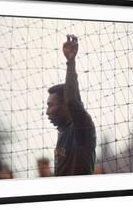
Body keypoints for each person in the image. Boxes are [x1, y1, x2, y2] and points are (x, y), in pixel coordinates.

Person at [46, 34, 96, 176]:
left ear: (65, 106)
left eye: (51, 106)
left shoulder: (82, 128)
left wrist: (71, 62)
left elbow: (72, 101)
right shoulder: (63, 131)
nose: (47, 112)